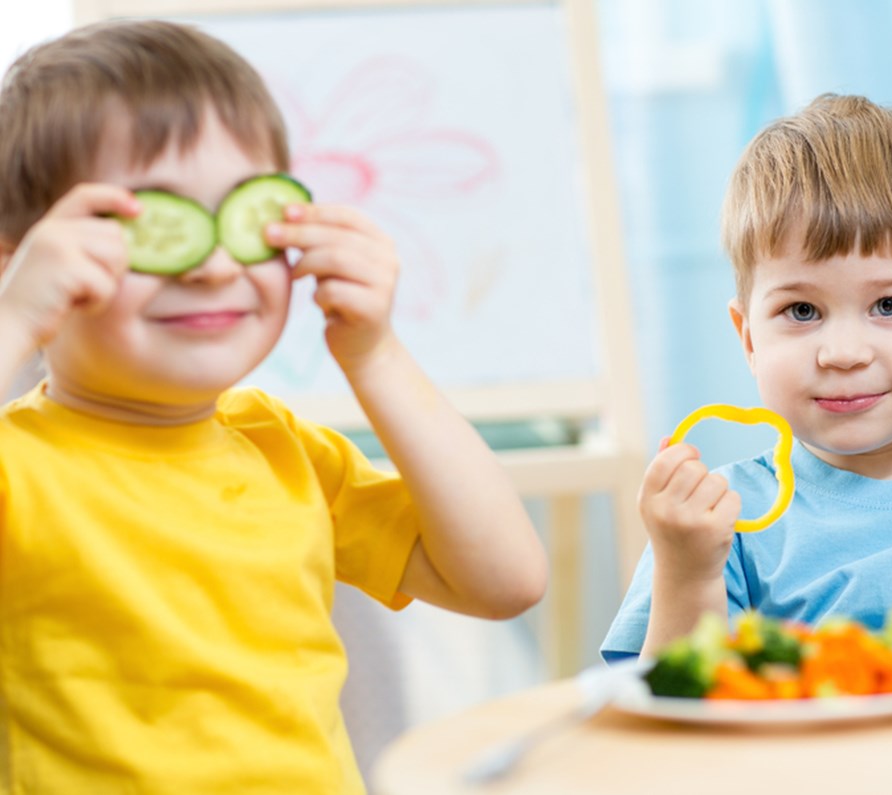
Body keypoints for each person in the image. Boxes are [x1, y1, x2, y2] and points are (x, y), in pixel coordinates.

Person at [0, 19, 548, 793]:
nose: (215, 264)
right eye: (151, 224)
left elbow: (507, 580)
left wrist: (376, 355)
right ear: (22, 260)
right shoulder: (17, 465)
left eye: (246, 219)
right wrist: (11, 316)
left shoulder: (283, 449)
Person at [601, 93, 892, 664]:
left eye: (888, 305)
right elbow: (672, 714)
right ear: (748, 338)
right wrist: (688, 574)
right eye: (801, 311)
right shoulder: (722, 526)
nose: (842, 354)